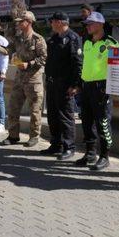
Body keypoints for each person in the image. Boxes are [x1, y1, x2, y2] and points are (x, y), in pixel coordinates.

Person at [0, 11, 47, 147]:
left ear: (28, 22)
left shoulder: (38, 39)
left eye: (21, 21)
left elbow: (43, 58)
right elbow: (8, 51)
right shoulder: (19, 38)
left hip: (33, 79)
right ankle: (13, 136)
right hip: (19, 79)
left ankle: (34, 137)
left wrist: (29, 64)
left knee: (35, 110)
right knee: (13, 107)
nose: (19, 24)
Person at [76, 11, 119, 170]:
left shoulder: (111, 43)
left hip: (102, 88)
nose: (87, 26)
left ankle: (105, 156)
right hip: (86, 87)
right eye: (86, 24)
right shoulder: (86, 42)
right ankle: (90, 153)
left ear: (100, 25)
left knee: (103, 123)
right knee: (87, 122)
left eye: (91, 24)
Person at [41, 12, 82, 161]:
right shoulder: (54, 39)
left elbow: (77, 63)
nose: (51, 24)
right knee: (52, 115)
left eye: (52, 21)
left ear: (59, 22)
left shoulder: (72, 38)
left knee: (65, 116)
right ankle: (56, 144)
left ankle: (69, 147)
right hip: (52, 82)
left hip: (65, 83)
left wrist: (75, 84)